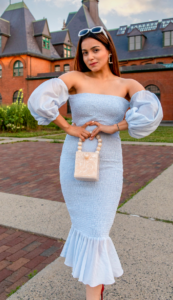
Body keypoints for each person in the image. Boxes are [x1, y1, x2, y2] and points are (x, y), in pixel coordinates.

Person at [27, 26, 163, 300]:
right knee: (86, 225)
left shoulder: (127, 85)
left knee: (98, 228)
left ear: (109, 51)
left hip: (109, 163)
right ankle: (94, 292)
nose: (90, 56)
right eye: (84, 52)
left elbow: (151, 114)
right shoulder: (74, 77)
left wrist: (117, 126)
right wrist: (68, 127)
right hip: (75, 160)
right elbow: (39, 99)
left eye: (96, 49)